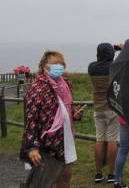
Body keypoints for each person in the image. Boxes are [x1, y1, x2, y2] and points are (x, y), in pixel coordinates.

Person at [20, 50, 83, 188]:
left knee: (66, 175)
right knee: (44, 181)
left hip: (65, 138)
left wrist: (75, 115)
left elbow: (64, 110)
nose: (59, 66)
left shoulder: (64, 85)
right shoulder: (38, 87)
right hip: (47, 143)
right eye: (55, 63)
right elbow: (30, 119)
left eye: (61, 63)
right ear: (44, 66)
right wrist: (32, 147)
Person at [88, 43, 120, 183]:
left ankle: (98, 173)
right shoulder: (114, 67)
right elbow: (122, 61)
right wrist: (120, 49)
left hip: (98, 108)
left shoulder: (92, 67)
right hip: (112, 108)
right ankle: (112, 174)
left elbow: (102, 59)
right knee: (112, 140)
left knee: (100, 140)